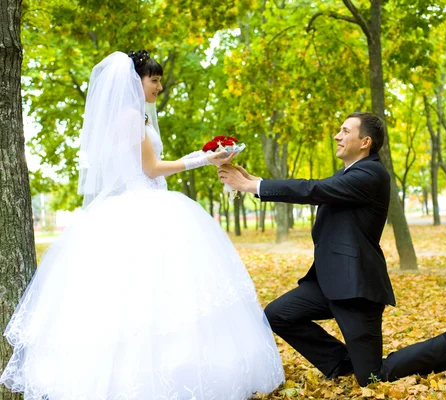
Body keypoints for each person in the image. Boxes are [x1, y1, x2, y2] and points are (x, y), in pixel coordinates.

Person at [0, 51, 284, 400]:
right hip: (144, 207)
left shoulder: (133, 117)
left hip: (136, 204)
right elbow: (151, 169)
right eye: (154, 80)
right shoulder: (132, 116)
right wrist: (202, 159)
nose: (159, 87)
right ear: (136, 81)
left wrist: (203, 157)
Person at [218, 112, 446, 387]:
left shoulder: (371, 174)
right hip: (328, 282)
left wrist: (252, 185)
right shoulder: (350, 174)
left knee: (373, 376)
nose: (337, 136)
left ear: (365, 142)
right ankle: (342, 364)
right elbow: (319, 190)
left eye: (345, 131)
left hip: (356, 288)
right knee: (279, 315)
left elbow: (312, 189)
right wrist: (255, 181)